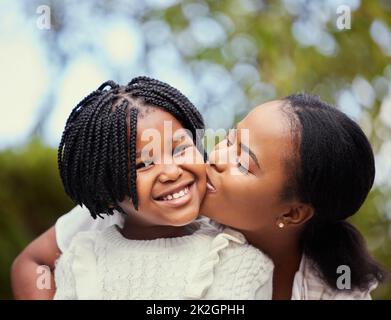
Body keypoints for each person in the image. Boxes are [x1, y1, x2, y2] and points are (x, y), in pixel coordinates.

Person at [12, 92, 385, 299]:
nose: (217, 158)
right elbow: (32, 262)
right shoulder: (145, 211)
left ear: (292, 213)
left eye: (244, 163)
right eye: (229, 140)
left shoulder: (335, 292)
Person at [13, 76, 273, 300]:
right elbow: (31, 263)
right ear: (107, 195)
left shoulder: (232, 249)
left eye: (180, 148)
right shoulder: (87, 247)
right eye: (144, 163)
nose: (172, 172)